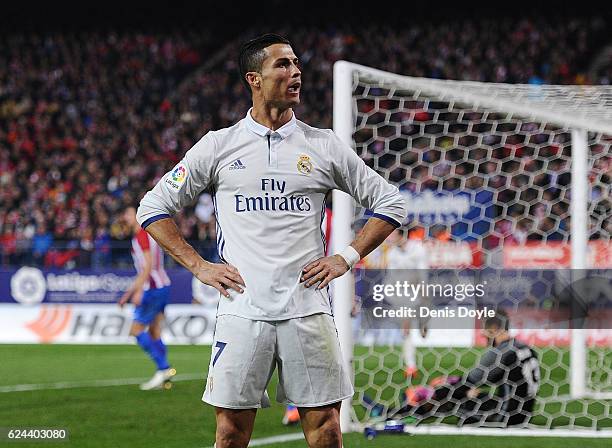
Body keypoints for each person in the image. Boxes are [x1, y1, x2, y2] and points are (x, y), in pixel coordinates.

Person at [136, 33, 408, 448]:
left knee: (327, 431)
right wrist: (198, 265)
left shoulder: (323, 145)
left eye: (297, 63)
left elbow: (391, 202)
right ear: (254, 79)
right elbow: (152, 208)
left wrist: (346, 257)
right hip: (243, 311)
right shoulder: (218, 146)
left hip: (308, 310)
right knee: (229, 433)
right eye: (283, 64)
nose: (296, 72)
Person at [364, 309, 540, 427]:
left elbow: (466, 384)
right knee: (463, 393)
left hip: (505, 418)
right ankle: (406, 411)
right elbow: (492, 379)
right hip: (521, 414)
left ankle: (397, 413)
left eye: (486, 331)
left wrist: (445, 387)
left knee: (451, 396)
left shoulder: (500, 353)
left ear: (494, 329)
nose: (484, 336)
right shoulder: (525, 348)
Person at [118, 205, 175, 390]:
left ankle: (164, 368)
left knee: (135, 330)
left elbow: (147, 266)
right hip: (162, 285)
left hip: (152, 288)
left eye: (128, 213)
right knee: (154, 331)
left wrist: (137, 291)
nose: (125, 217)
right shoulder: (147, 233)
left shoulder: (141, 235)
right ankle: (166, 375)